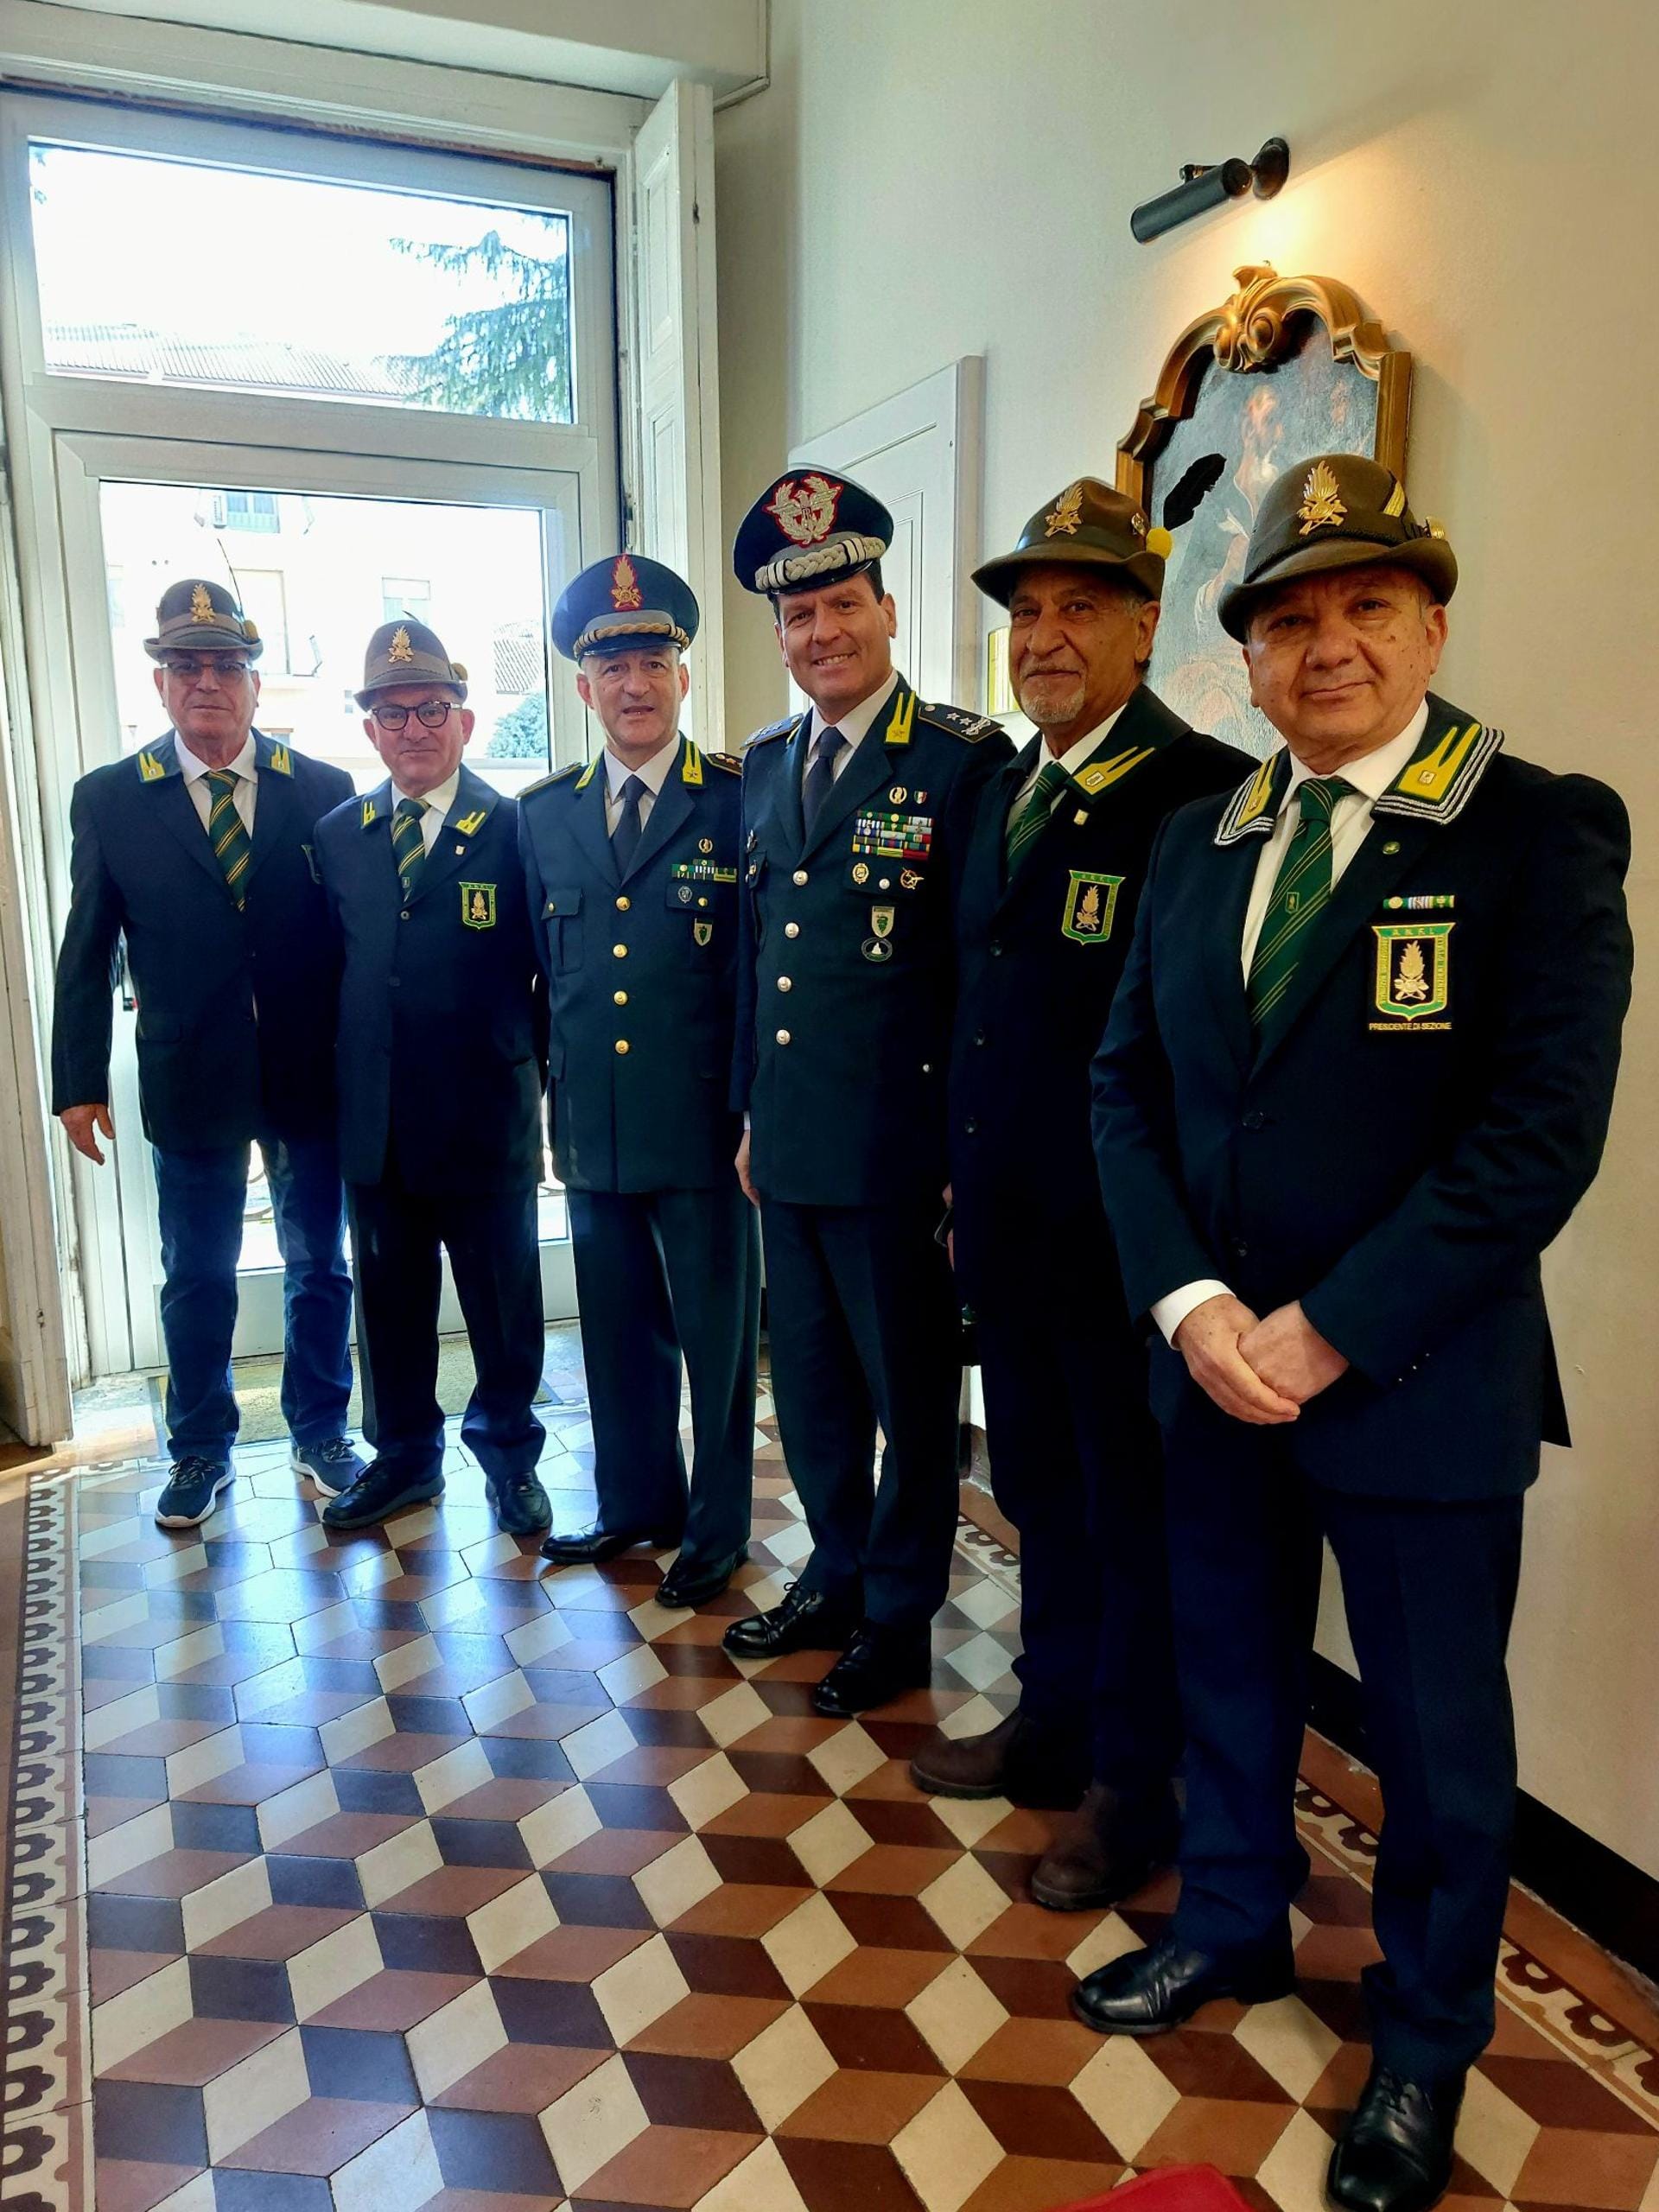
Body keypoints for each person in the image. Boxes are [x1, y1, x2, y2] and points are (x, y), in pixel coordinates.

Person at [1082, 454, 1632, 2212]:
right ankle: (1234, 1920)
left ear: (1432, 630)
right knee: (1231, 1670)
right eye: (1290, 620)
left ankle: (1424, 2038)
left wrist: (1325, 1329)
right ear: (1243, 658)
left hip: (1415, 1380)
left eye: (1368, 607)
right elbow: (1127, 1090)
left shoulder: (1536, 828)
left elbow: (1537, 1138)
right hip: (1213, 1373)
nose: (1328, 647)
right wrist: (1192, 1305)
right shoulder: (1200, 838)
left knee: (1435, 1739)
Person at [908, 480, 1247, 1910]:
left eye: (1080, 608)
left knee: (1130, 1516)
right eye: (1027, 612)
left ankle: (1130, 1784)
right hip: (1007, 1227)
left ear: (1145, 626)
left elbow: (1196, 1047)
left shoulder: (1200, 793)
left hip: (1125, 1248)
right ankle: (1051, 1722)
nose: (1044, 637)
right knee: (1039, 1490)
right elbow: (973, 1002)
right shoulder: (998, 787)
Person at [722, 467, 1013, 1715]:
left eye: (843, 604)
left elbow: (979, 975)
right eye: (799, 616)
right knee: (815, 1395)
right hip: (788, 1148)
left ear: (888, 612)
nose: (823, 633)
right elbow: (759, 963)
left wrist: (960, 1152)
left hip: (899, 1156)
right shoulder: (764, 762)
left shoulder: (959, 761)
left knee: (910, 1402)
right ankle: (834, 1575)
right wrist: (749, 1113)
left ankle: (897, 1614)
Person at [51, 577, 359, 1530]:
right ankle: (198, 1446)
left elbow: (355, 940)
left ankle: (322, 1429)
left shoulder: (323, 790)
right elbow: (87, 949)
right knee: (197, 1271)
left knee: (320, 1262)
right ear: (160, 683)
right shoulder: (111, 799)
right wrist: (77, 1082)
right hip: (189, 1075)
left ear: (256, 682)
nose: (207, 683)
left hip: (308, 1074)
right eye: (186, 666)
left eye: (227, 665)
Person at [524, 554, 759, 1606]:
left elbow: (759, 973)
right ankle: (636, 1503)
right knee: (617, 1333)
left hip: (704, 1125)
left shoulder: (740, 799)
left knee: (717, 1340)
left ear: (683, 677)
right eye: (613, 667)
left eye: (653, 662)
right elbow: (535, 975)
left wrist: (752, 1109)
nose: (635, 685)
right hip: (594, 1124)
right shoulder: (543, 815)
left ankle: (717, 1527)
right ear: (584, 687)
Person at [312, 620, 552, 1539]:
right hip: (377, 1127)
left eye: (431, 709)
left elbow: (548, 975)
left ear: (465, 720)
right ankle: (406, 1458)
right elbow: (328, 977)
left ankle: (510, 1457)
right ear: (370, 730)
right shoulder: (340, 837)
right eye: (393, 713)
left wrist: (524, 1071)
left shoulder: (519, 829)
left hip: (485, 1118)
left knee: (503, 1307)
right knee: (389, 1307)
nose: (413, 728)